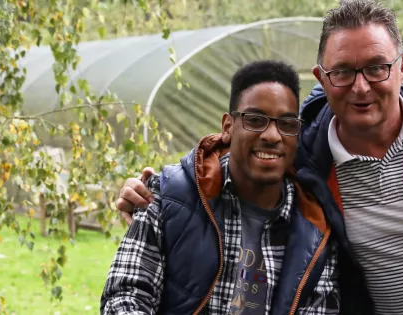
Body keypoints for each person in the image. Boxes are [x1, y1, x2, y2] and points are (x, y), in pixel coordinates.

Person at [114, 1, 403, 314]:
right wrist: (157, 187)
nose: (361, 87)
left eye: (377, 68)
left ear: (402, 68)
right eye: (343, 72)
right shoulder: (306, 155)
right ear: (322, 78)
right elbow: (242, 146)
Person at [101, 60, 343, 314]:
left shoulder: (315, 230)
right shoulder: (167, 196)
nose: (272, 136)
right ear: (228, 127)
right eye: (255, 119)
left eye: (286, 124)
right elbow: (125, 296)